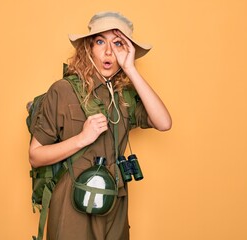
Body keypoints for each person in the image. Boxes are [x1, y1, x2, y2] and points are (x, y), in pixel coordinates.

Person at [29, 11, 172, 240]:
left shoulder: (124, 95)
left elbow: (164, 123)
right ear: (89, 48)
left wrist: (131, 69)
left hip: (114, 202)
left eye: (117, 44)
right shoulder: (63, 90)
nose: (108, 52)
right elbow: (35, 156)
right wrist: (82, 139)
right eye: (100, 41)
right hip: (72, 203)